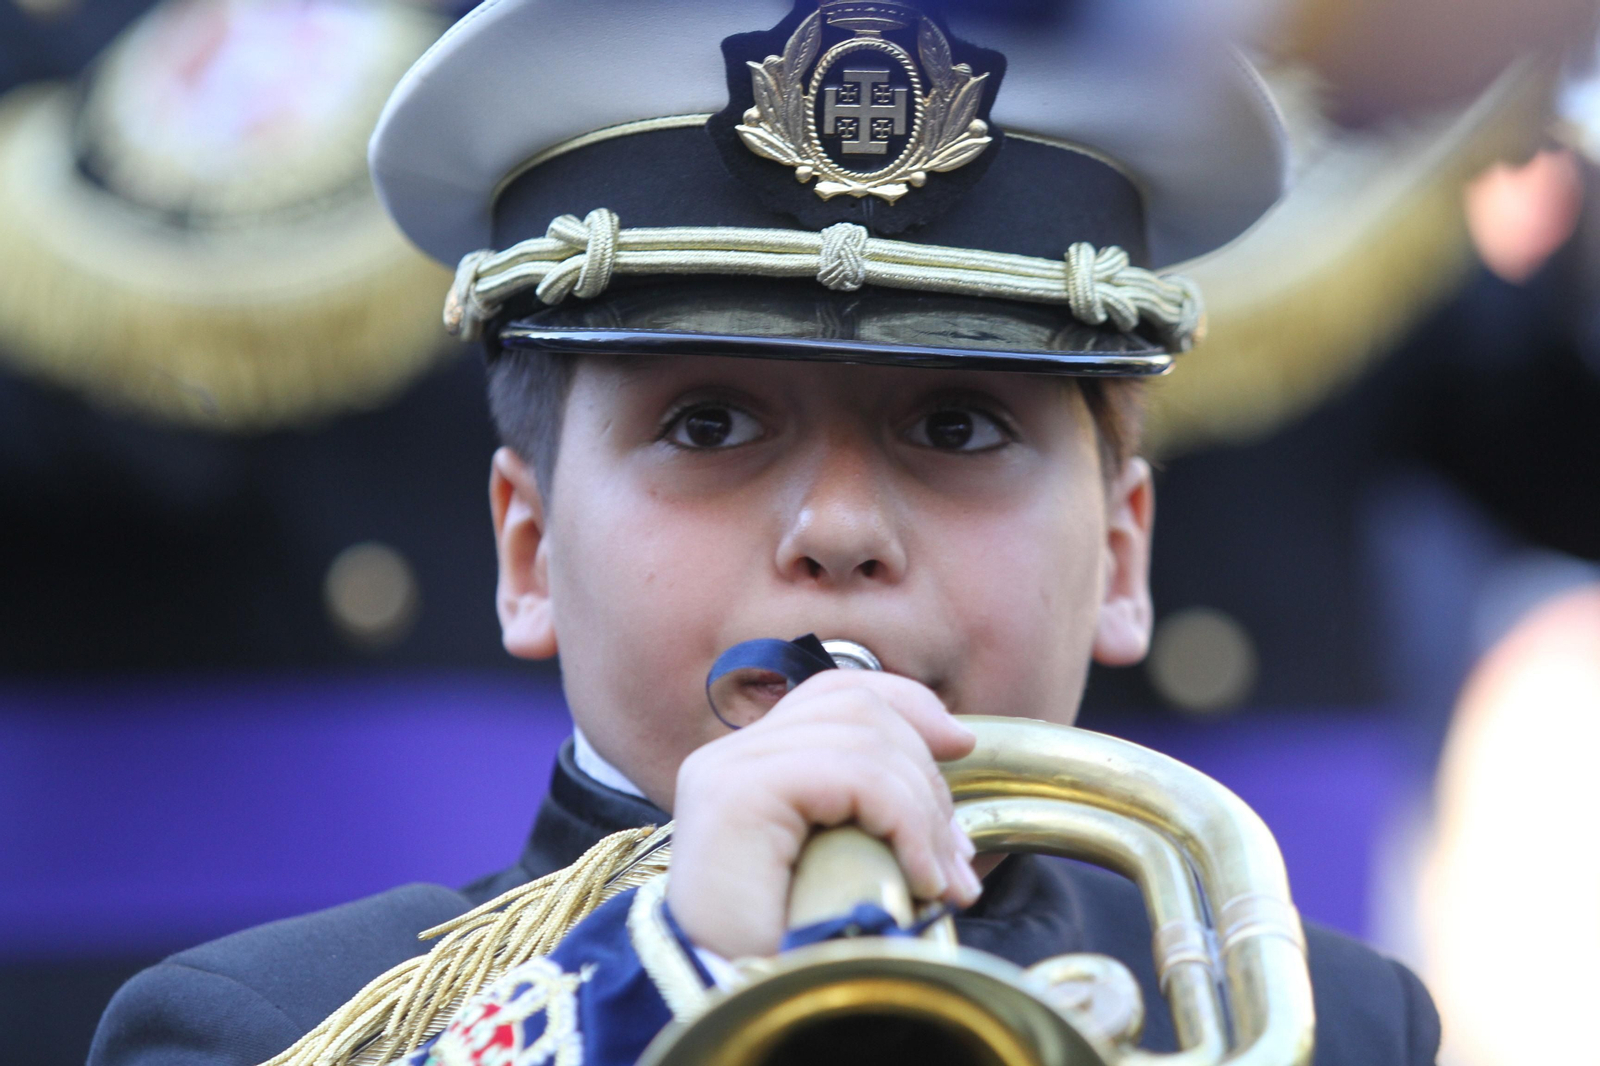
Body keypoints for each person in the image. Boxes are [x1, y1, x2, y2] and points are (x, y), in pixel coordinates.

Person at [89, 1, 1441, 1064]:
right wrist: (651, 993)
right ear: (528, 553)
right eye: (711, 427)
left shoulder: (1342, 1026)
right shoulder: (263, 1030)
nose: (839, 528)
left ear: (1124, 555)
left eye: (959, 427)